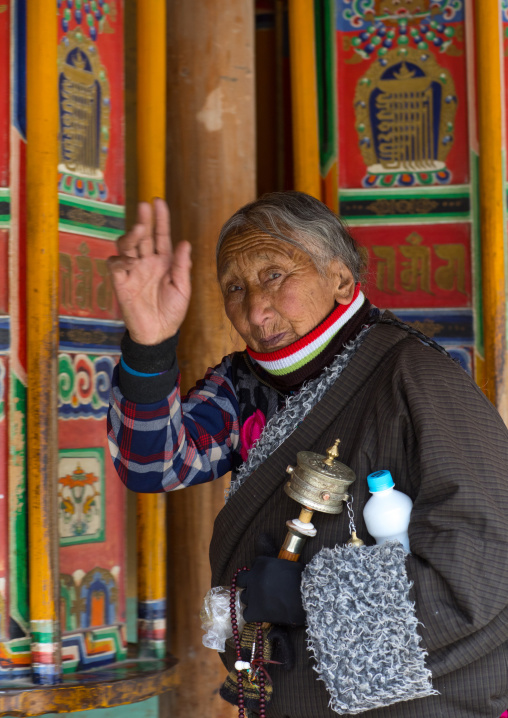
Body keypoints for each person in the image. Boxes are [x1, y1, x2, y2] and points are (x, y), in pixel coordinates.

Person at [107, 192, 508, 718]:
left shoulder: (416, 377)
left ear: (341, 280)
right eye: (234, 287)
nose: (254, 306)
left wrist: (307, 598)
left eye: (275, 274)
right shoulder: (244, 384)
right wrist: (149, 344)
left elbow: (478, 570)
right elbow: (150, 463)